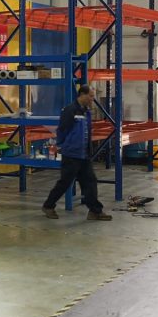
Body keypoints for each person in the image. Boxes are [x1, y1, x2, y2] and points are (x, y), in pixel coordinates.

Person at [42, 85, 112, 221]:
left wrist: (88, 150)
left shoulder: (86, 111)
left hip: (84, 154)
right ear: (82, 95)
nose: (92, 99)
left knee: (90, 182)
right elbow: (62, 130)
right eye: (90, 96)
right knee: (65, 182)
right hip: (71, 155)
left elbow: (88, 132)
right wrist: (64, 146)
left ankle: (95, 211)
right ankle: (48, 206)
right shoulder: (70, 110)